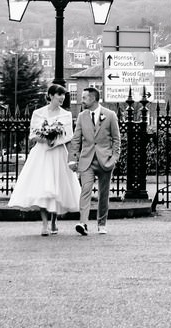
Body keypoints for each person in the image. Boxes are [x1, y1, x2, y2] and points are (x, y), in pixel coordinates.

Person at [7, 83, 81, 235]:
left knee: (57, 187)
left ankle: (54, 220)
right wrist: (45, 138)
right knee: (42, 188)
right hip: (42, 153)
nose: (62, 98)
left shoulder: (66, 115)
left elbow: (69, 136)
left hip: (58, 152)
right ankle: (44, 224)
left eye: (64, 95)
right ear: (51, 95)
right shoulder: (38, 113)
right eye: (59, 94)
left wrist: (54, 140)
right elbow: (33, 134)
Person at [69, 85, 120, 235]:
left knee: (103, 194)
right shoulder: (81, 116)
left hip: (105, 160)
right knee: (85, 190)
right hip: (87, 161)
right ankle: (83, 223)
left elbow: (117, 140)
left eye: (84, 97)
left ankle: (101, 224)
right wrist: (73, 159)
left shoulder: (110, 115)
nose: (81, 100)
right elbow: (76, 139)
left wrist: (114, 158)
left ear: (93, 99)